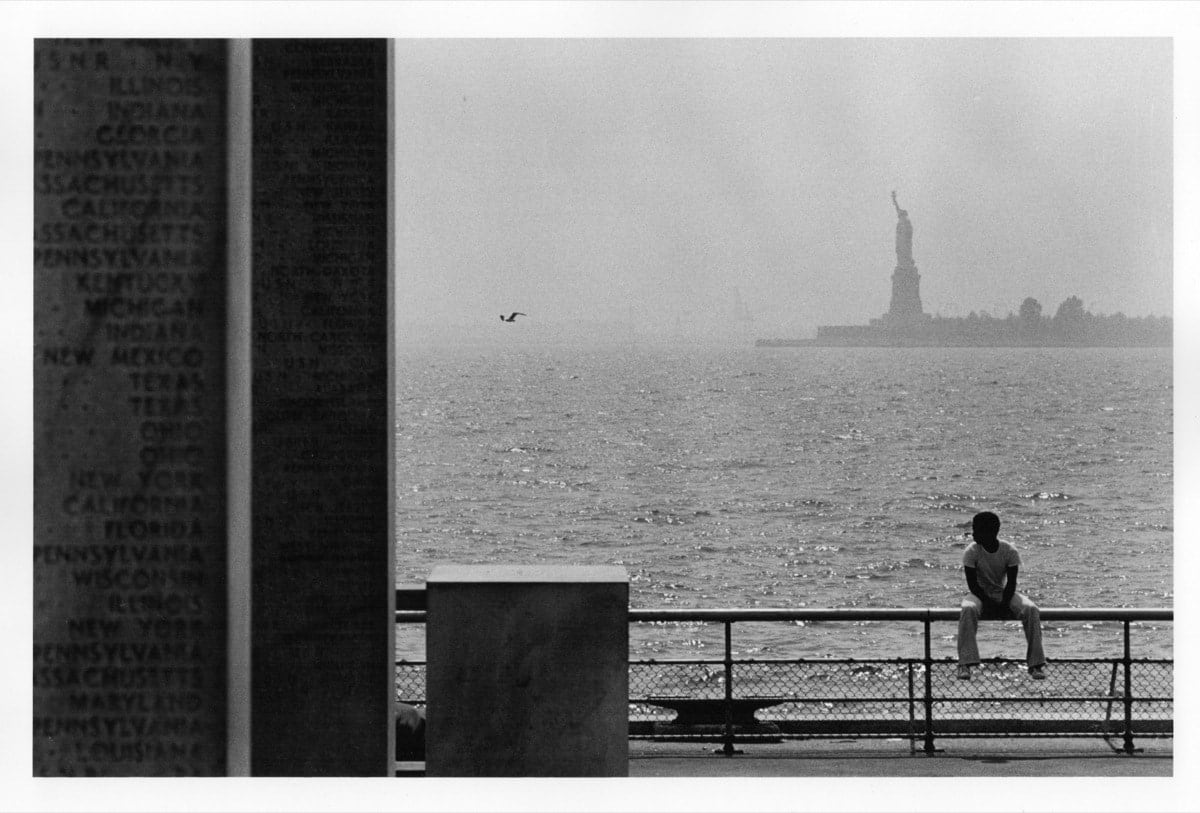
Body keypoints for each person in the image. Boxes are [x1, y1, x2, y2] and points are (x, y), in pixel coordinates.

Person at [957, 511, 1047, 680]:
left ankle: (1036, 664)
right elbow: (973, 585)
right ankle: (965, 663)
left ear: (992, 532)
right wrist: (988, 603)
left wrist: (1004, 604)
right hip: (979, 594)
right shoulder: (971, 551)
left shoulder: (1009, 550)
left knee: (1031, 609)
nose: (973, 533)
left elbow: (1011, 583)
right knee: (968, 609)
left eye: (977, 530)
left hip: (1003, 592)